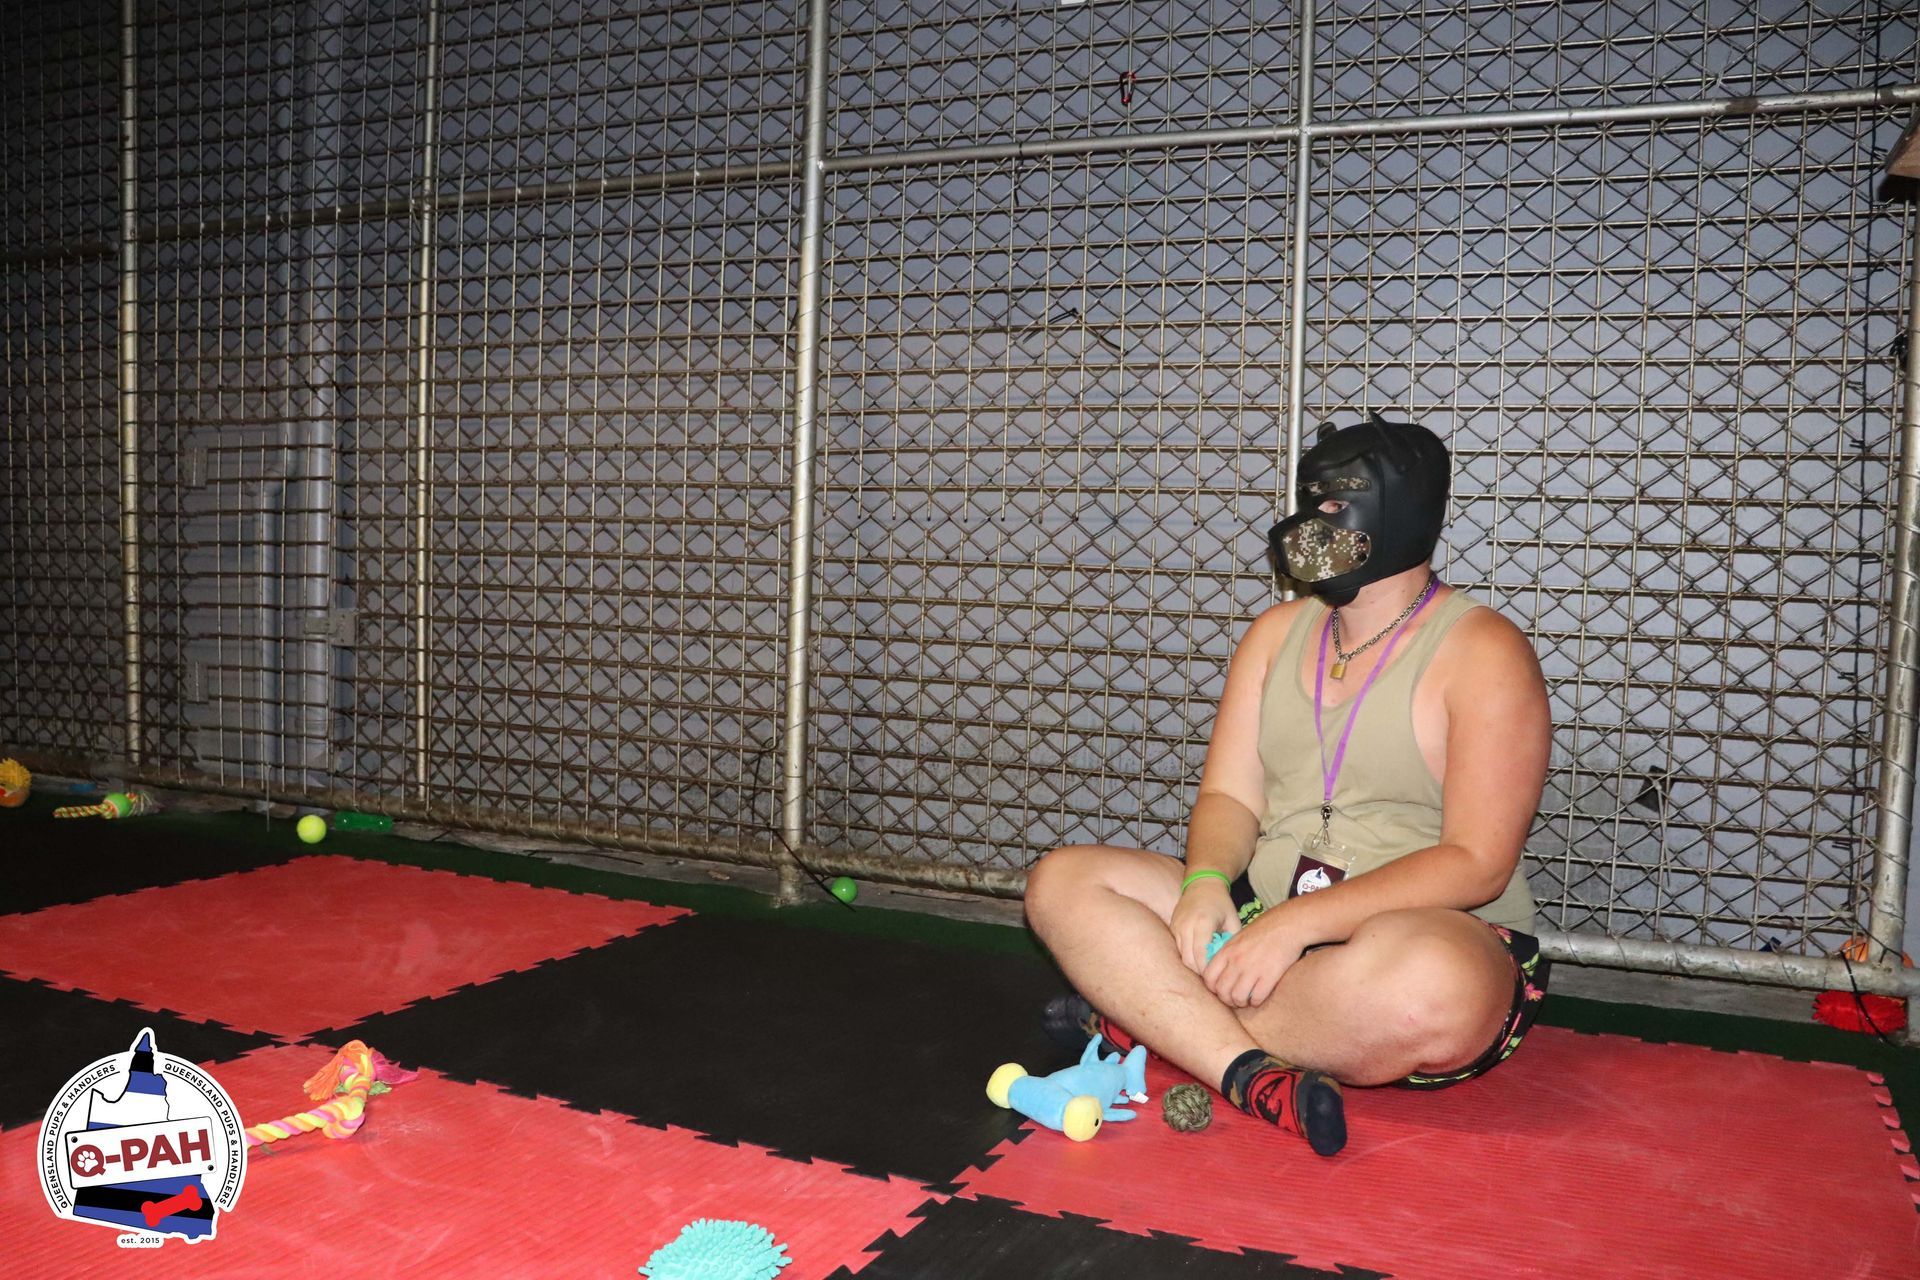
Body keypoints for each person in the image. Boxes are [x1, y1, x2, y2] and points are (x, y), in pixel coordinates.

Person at [1023, 412, 1553, 1157]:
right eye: (1310, 502)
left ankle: (1153, 1020)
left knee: (1431, 989)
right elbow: (1230, 797)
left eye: (1335, 505)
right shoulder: (1275, 634)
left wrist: (1297, 926)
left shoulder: (1484, 650)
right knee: (1061, 881)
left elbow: (1478, 862)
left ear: (1400, 511)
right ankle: (1249, 1074)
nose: (1310, 523)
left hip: (1414, 935)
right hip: (1262, 916)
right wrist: (1206, 880)